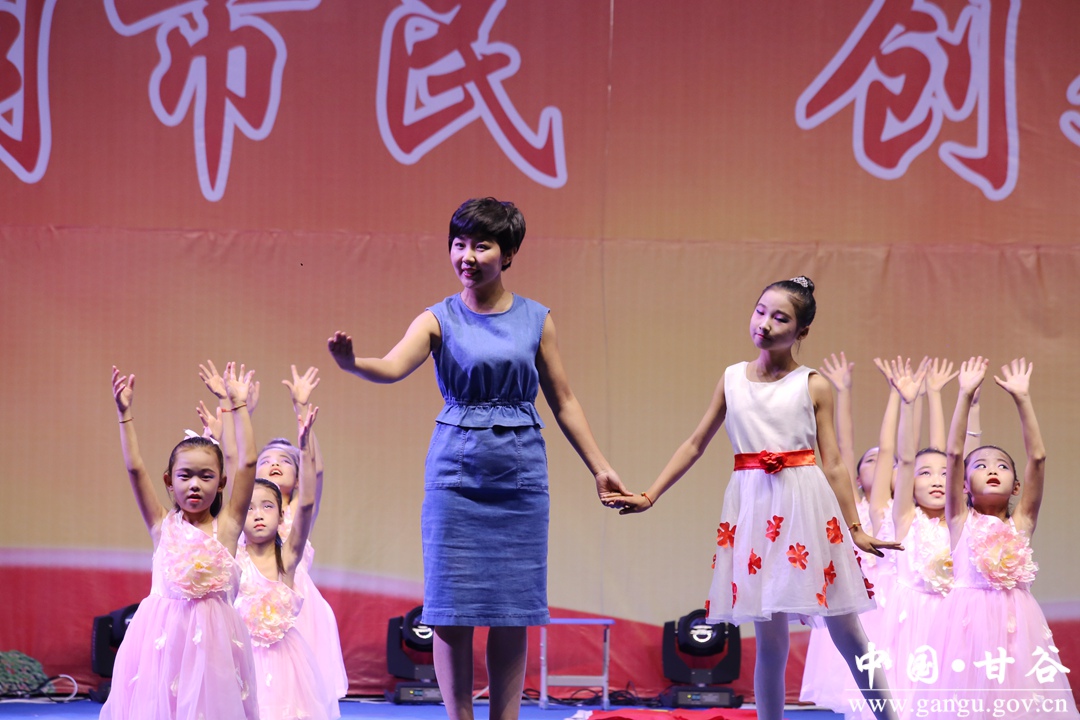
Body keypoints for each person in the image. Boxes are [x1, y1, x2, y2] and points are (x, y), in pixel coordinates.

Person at [327, 197, 629, 720]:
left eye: (481, 245)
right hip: (455, 478)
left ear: (507, 254)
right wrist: (353, 363)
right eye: (459, 244)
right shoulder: (437, 318)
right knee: (451, 610)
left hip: (520, 478)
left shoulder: (536, 319)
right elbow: (393, 366)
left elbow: (563, 400)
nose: (466, 256)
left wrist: (600, 467)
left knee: (513, 611)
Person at [618, 277, 902, 720]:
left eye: (780, 318)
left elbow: (832, 463)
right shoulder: (732, 378)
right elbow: (695, 443)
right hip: (754, 513)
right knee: (770, 641)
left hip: (806, 511)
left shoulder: (813, 384)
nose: (764, 324)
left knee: (848, 633)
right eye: (760, 311)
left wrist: (855, 528)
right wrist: (650, 495)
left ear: (802, 331)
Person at [101, 364, 259, 720]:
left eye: (206, 476)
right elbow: (135, 468)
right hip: (163, 642)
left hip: (215, 645)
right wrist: (124, 415)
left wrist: (238, 407)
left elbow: (248, 463)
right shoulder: (161, 524)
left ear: (221, 483)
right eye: (185, 476)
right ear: (169, 481)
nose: (195, 485)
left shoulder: (229, 526)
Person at [929, 358, 1078, 719]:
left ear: (1016, 486)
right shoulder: (959, 519)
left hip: (1017, 626)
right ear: (964, 485)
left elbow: (1038, 457)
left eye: (1002, 466)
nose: (992, 469)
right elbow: (953, 454)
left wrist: (1022, 398)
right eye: (980, 466)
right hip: (966, 624)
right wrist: (964, 394)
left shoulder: (1022, 521)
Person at [235, 405, 340, 720]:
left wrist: (304, 433)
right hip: (251, 605)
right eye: (266, 461)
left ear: (296, 477)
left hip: (296, 607)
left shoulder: (294, 514)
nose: (274, 464)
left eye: (284, 460)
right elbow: (238, 462)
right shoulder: (242, 517)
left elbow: (315, 478)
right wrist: (242, 413)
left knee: (297, 685)